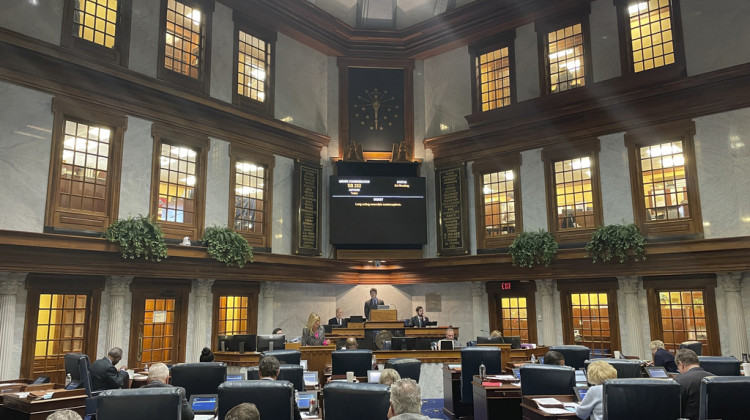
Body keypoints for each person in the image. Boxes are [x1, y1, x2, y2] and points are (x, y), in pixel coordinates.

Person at [674, 349, 713, 420]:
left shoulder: (679, 380)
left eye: (678, 368)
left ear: (681, 364)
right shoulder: (714, 378)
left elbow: (675, 409)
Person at [259, 356, 302, 420]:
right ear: (278, 372)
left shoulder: (246, 390)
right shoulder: (287, 390)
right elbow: (297, 418)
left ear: (259, 372)